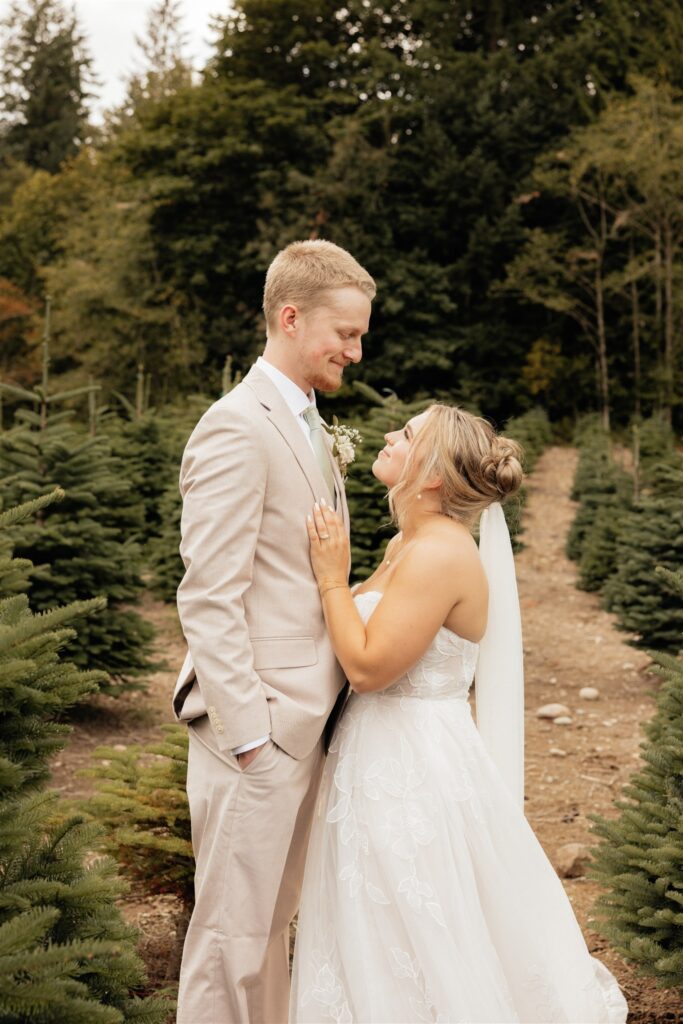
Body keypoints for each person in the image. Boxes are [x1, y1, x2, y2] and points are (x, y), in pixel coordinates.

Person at [291, 404, 628, 1023]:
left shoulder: (441, 553)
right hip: (374, 754)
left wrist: (332, 580)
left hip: (413, 766)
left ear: (435, 475)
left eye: (409, 433)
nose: (391, 432)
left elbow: (368, 667)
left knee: (418, 928)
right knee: (373, 923)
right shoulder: (405, 542)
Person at [172, 239, 375, 1024]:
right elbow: (209, 595)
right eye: (345, 335)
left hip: (309, 727)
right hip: (256, 739)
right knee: (229, 941)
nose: (355, 352)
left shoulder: (310, 423)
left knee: (271, 936)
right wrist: (251, 738)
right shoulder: (234, 427)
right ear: (290, 318)